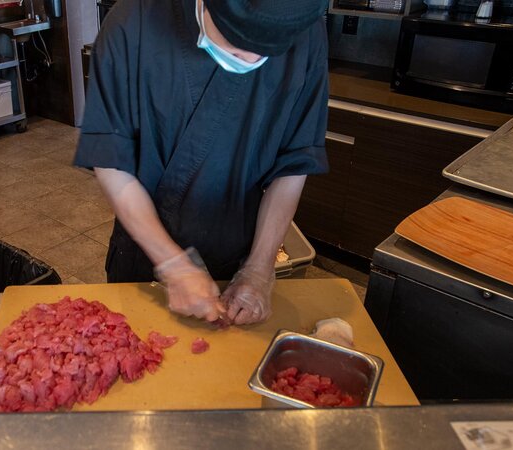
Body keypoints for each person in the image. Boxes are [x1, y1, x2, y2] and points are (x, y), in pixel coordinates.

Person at [75, 0, 329, 325]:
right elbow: (111, 162)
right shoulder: (133, 22)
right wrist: (172, 264)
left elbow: (294, 163)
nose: (250, 60)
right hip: (145, 256)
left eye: (267, 53)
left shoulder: (306, 30)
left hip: (239, 250)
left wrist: (260, 268)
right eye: (237, 44)